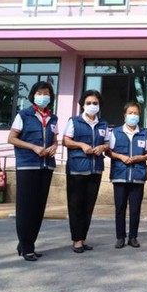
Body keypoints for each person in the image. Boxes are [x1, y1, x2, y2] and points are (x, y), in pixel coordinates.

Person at [7, 81, 58, 262]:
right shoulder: (24, 115)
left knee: (38, 208)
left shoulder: (53, 118)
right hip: (28, 165)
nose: (43, 96)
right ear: (33, 95)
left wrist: (54, 146)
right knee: (26, 207)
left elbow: (55, 139)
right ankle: (27, 247)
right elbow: (11, 138)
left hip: (46, 166)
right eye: (39, 93)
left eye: (46, 93)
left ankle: (26, 244)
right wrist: (33, 147)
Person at [62, 89, 109, 253]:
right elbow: (66, 141)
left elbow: (108, 143)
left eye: (95, 103)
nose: (92, 105)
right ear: (82, 105)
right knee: (76, 206)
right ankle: (76, 240)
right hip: (77, 169)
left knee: (88, 206)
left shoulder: (103, 124)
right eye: (88, 103)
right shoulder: (74, 121)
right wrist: (81, 145)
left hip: (95, 169)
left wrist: (103, 147)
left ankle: (83, 238)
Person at [108, 101, 147, 249]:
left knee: (135, 209)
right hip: (120, 175)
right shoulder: (116, 132)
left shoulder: (144, 133)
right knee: (120, 208)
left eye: (136, 113)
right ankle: (120, 237)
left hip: (138, 175)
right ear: (124, 115)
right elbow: (109, 151)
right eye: (130, 113)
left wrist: (141, 158)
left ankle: (133, 237)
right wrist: (120, 157)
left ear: (140, 115)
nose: (133, 116)